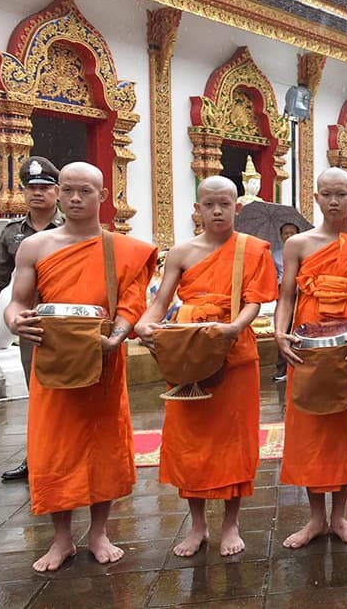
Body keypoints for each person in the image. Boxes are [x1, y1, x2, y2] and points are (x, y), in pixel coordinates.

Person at [5, 162, 157, 571]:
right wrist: (14, 320)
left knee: (101, 445)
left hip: (103, 357)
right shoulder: (35, 247)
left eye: (85, 191)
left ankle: (99, 532)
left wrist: (118, 336)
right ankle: (61, 540)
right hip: (53, 360)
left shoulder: (124, 248)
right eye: (68, 190)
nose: (75, 198)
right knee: (53, 448)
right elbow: (17, 301)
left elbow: (131, 302)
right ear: (58, 192)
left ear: (102, 196)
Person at [134, 177, 277, 557]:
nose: (217, 210)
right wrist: (145, 323)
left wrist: (234, 327)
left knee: (234, 439)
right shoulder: (181, 253)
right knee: (189, 440)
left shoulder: (251, 249)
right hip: (188, 349)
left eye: (224, 204)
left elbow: (253, 302)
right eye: (209, 204)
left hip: (233, 351)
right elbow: (161, 300)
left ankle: (231, 524)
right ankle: (197, 526)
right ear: (197, 209)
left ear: (236, 209)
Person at [275, 168, 347, 547]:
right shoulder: (299, 245)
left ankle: (339, 518)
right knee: (308, 430)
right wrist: (280, 333)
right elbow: (287, 297)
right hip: (307, 349)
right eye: (326, 194)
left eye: (341, 194)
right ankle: (314, 520)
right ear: (316, 197)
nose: (334, 201)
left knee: (344, 430)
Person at [0, 156, 63, 482]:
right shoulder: (11, 234)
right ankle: (36, 460)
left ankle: (69, 459)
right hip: (32, 325)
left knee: (73, 395)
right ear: (23, 192)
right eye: (31, 187)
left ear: (57, 192)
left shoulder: (72, 228)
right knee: (39, 395)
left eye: (45, 187)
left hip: (70, 324)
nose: (38, 193)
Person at [272, 222, 300, 382]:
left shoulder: (304, 251)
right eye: (285, 233)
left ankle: (299, 366)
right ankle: (281, 369)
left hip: (301, 296)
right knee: (282, 331)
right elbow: (271, 275)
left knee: (298, 332)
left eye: (292, 233)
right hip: (283, 296)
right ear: (281, 236)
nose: (289, 236)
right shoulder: (276, 254)